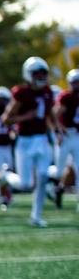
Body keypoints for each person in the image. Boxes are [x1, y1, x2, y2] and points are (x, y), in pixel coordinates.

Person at [1, 57, 60, 227]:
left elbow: (49, 113)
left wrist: (57, 129)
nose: (41, 77)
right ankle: (6, 176)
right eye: (37, 73)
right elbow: (6, 119)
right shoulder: (21, 93)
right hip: (25, 140)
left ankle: (36, 215)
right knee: (26, 184)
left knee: (42, 176)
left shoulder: (47, 92)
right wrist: (26, 117)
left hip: (42, 139)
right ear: (29, 74)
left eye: (43, 73)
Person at [54, 70, 79, 211]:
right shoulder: (66, 96)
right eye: (75, 82)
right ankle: (57, 187)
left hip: (77, 136)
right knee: (59, 170)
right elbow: (56, 114)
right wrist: (59, 131)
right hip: (66, 135)